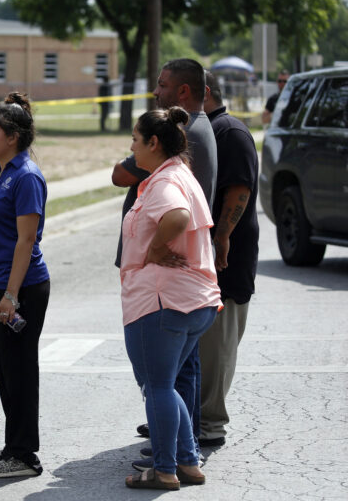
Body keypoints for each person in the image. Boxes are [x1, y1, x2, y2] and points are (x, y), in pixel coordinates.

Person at [115, 59, 218, 456]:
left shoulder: (165, 181)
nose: (131, 147)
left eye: (136, 140)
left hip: (163, 302)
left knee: (157, 386)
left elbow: (177, 215)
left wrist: (156, 248)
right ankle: (187, 458)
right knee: (169, 383)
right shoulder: (177, 171)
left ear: (153, 143)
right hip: (188, 300)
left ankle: (165, 466)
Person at [0, 92, 51, 478]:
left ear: (13, 136)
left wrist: (9, 295)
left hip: (21, 289)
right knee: (5, 371)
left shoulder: (26, 177)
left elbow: (26, 241)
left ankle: (25, 456)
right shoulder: (3, 171)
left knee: (20, 371)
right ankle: (11, 448)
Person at [199, 71, 259, 447]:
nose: (158, 93)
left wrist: (222, 236)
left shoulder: (229, 132)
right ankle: (184, 413)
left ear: (199, 92)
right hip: (199, 259)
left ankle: (209, 423)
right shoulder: (198, 129)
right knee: (195, 343)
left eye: (166, 86)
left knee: (217, 344)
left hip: (226, 260)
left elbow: (239, 189)